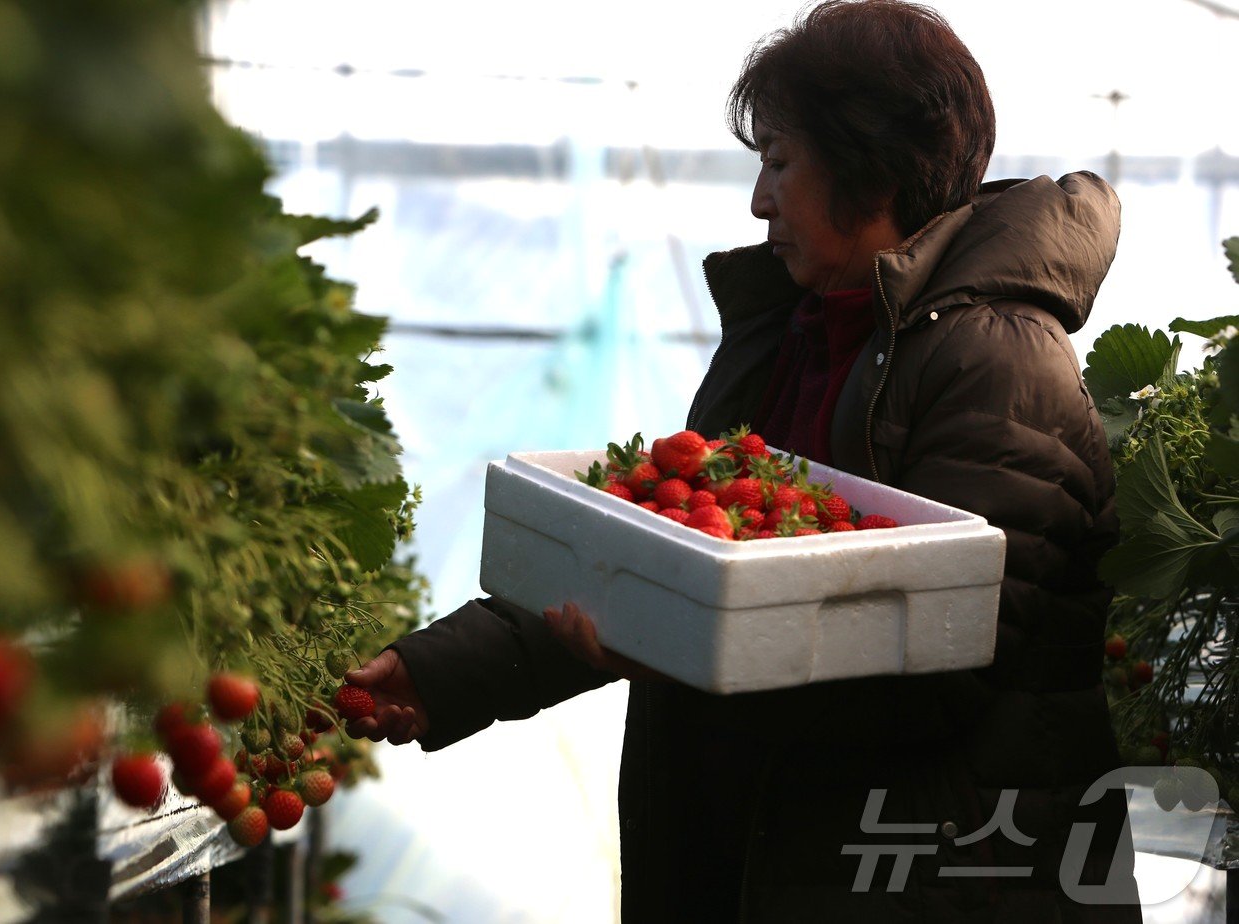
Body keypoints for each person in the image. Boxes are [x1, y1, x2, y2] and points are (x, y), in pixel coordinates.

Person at [344, 2, 1143, 921]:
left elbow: (954, 659)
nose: (760, 201)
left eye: (779, 161)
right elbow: (661, 553)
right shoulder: (791, 333)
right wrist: (439, 672)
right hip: (759, 854)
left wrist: (686, 646)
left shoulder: (995, 363)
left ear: (870, 165)